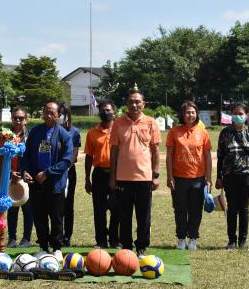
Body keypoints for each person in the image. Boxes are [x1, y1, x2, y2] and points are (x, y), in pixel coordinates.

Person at [109, 87, 161, 257]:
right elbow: (114, 151)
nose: (134, 104)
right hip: (123, 178)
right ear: (127, 103)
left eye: (138, 101)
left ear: (143, 104)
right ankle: (126, 248)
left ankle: (141, 247)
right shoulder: (118, 123)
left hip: (144, 178)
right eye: (131, 101)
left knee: (144, 216)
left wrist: (155, 175)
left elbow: (155, 150)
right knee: (124, 216)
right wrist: (113, 176)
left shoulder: (151, 122)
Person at [21, 101, 73, 262]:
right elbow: (26, 155)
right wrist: (25, 172)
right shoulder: (35, 132)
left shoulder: (64, 135)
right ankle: (43, 247)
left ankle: (57, 247)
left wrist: (48, 173)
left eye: (52, 112)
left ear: (59, 115)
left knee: (56, 216)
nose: (49, 115)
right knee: (39, 216)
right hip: (36, 182)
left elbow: (67, 160)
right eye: (46, 112)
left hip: (55, 183)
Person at [166, 101, 212, 251]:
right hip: (179, 178)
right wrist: (170, 176)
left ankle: (193, 238)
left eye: (193, 112)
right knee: (180, 209)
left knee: (195, 210)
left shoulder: (203, 132)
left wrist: (209, 178)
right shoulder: (174, 132)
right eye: (187, 112)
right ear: (182, 115)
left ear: (196, 114)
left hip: (198, 179)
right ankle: (181, 238)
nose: (190, 115)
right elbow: (169, 156)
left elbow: (207, 156)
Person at [216, 103, 249, 250]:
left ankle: (243, 240)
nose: (238, 116)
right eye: (235, 113)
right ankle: (231, 241)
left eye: (241, 113)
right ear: (231, 115)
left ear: (247, 116)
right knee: (232, 208)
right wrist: (219, 177)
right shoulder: (225, 133)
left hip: (248, 177)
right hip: (230, 176)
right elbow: (220, 156)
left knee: (244, 208)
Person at [84, 99, 120, 249]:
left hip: (118, 174)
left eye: (108, 110)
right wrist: (87, 179)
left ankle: (114, 240)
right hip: (99, 174)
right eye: (103, 110)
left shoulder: (120, 130)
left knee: (116, 208)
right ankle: (101, 241)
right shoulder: (92, 133)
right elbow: (88, 157)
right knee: (99, 209)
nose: (105, 113)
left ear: (114, 112)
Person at [6, 107, 34, 248]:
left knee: (28, 210)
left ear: (26, 120)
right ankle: (12, 239)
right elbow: (1, 157)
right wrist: (10, 172)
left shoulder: (31, 135)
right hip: (10, 176)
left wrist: (24, 173)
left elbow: (33, 157)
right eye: (15, 118)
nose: (18, 120)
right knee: (12, 210)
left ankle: (26, 239)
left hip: (26, 176)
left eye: (21, 118)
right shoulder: (4, 135)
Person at [58, 103, 81, 247]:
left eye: (63, 114)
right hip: (52, 172)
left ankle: (67, 236)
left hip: (68, 172)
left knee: (67, 205)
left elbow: (74, 155)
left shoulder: (75, 132)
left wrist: (64, 167)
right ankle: (55, 234)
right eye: (58, 113)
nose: (61, 116)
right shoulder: (51, 131)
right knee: (54, 206)